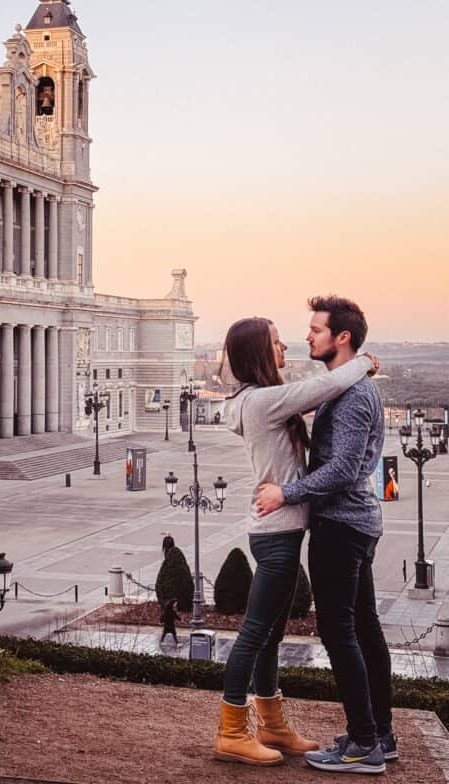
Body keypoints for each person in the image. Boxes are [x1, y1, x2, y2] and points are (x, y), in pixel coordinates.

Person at [214, 316, 377, 767]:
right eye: (275, 342)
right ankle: (231, 731)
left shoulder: (259, 400)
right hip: (277, 536)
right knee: (253, 634)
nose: (285, 346)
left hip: (280, 532)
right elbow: (324, 388)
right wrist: (364, 361)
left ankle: (272, 726)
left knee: (271, 636)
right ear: (258, 353)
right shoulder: (265, 401)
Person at [257, 296, 394, 774]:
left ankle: (363, 744)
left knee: (340, 632)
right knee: (364, 628)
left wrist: (286, 493)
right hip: (355, 523)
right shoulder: (351, 387)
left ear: (342, 338)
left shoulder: (355, 396)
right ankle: (381, 733)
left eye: (316, 329)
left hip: (341, 525)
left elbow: (342, 470)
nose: (308, 337)